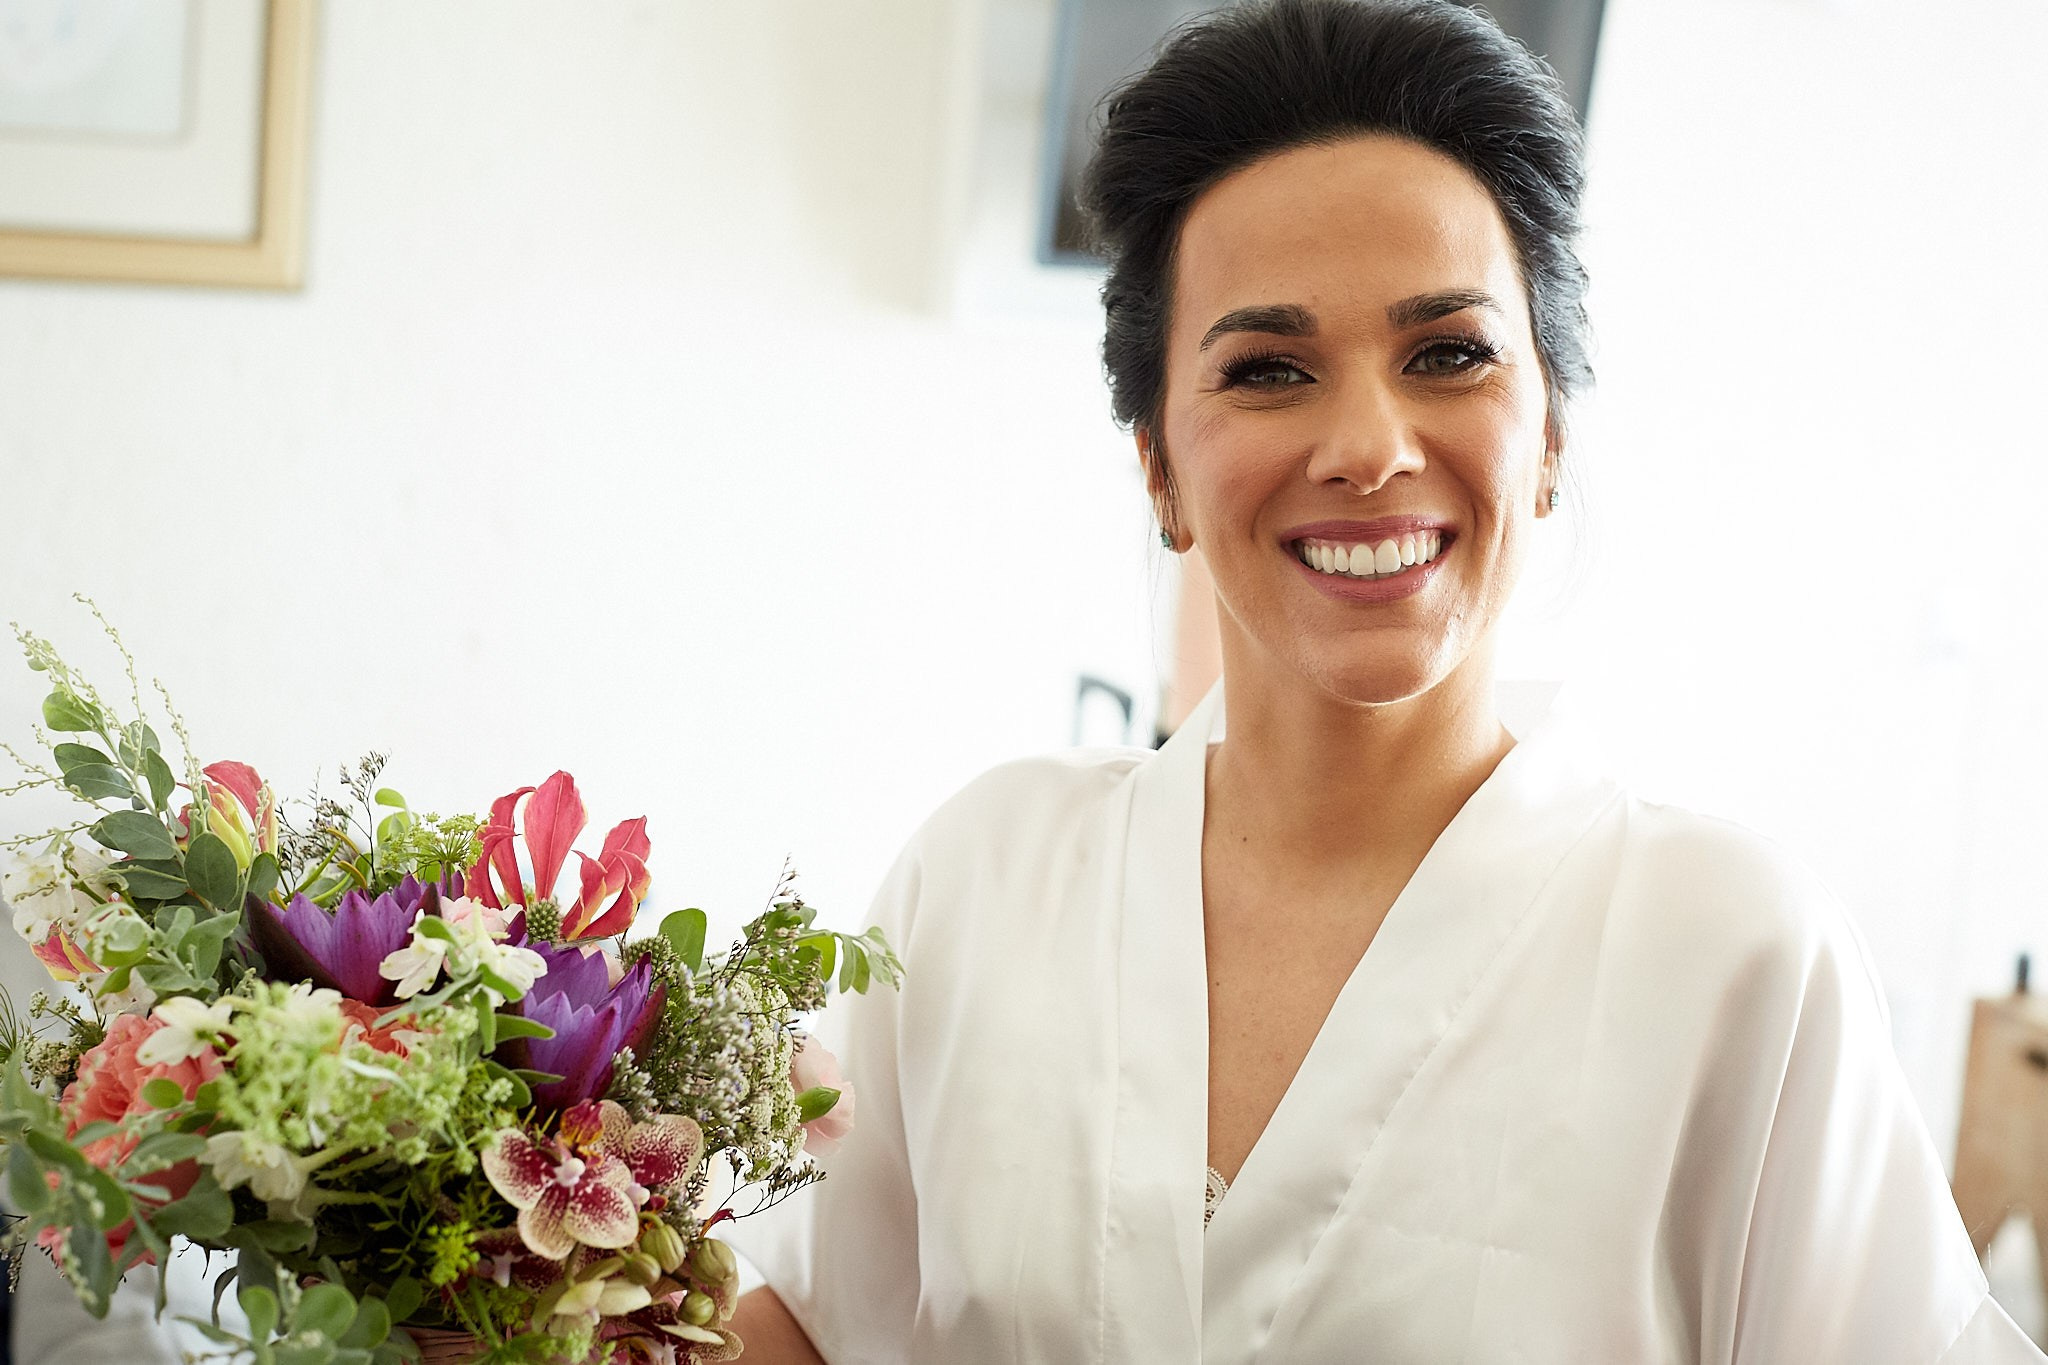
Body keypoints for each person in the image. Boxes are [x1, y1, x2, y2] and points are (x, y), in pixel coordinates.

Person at [726, 1, 2041, 1359]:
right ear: (1161, 468)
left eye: (1450, 354)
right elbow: (823, 1326)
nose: (1367, 443)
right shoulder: (983, 878)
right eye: (1269, 368)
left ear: (1548, 435)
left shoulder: (1739, 957)